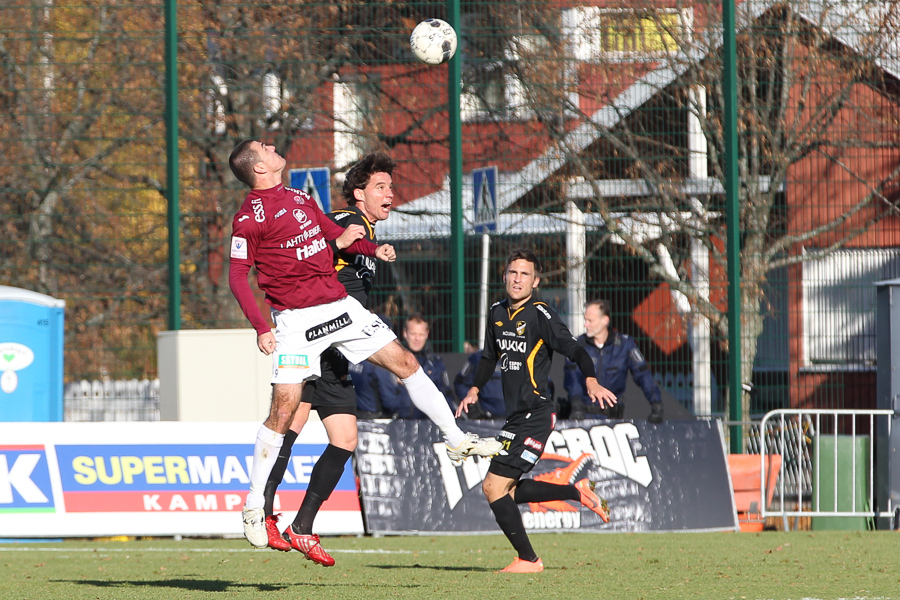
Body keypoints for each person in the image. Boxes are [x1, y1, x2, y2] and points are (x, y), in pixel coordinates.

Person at [227, 142, 502, 564]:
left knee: (406, 363)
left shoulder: (301, 198)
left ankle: (458, 438)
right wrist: (262, 327)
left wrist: (371, 249)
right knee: (284, 411)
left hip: (339, 308)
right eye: (264, 147)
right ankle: (253, 506)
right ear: (259, 165)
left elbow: (333, 236)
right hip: (296, 321)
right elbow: (236, 276)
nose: (272, 145)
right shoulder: (249, 218)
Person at [457, 249, 617, 573]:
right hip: (516, 416)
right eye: (513, 273)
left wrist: (591, 379)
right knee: (508, 489)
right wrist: (474, 388)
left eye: (525, 274)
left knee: (493, 487)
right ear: (504, 276)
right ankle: (576, 490)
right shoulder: (496, 313)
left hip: (537, 414)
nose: (517, 279)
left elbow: (575, 349)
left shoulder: (540, 315)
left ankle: (529, 560)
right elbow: (489, 357)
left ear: (536, 281)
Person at [563, 299, 663, 423]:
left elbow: (643, 375)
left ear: (605, 320)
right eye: (585, 320)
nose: (586, 325)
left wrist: (656, 403)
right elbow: (573, 379)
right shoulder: (578, 346)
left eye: (590, 321)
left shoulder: (624, 345)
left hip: (613, 419)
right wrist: (576, 404)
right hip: (584, 417)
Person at [373, 314, 455, 419]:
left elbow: (446, 396)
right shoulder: (392, 361)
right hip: (399, 422)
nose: (417, 339)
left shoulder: (435, 363)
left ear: (427, 334)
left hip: (430, 423)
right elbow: (387, 400)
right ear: (405, 333)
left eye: (421, 334)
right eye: (413, 334)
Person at [454, 349, 505, 419]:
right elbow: (461, 384)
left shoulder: (521, 357)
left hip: (515, 418)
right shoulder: (478, 358)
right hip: (486, 417)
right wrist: (472, 406)